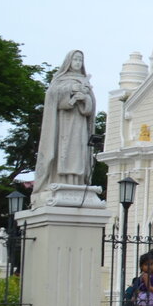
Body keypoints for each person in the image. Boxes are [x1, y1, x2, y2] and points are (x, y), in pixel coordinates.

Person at [33, 49, 96, 197]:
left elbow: (90, 108)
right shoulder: (60, 79)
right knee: (64, 151)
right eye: (75, 59)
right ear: (69, 61)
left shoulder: (85, 81)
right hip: (63, 124)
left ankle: (77, 182)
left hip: (79, 123)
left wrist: (84, 98)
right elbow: (52, 97)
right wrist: (70, 90)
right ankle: (59, 180)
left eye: (80, 60)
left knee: (78, 151)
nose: (78, 62)